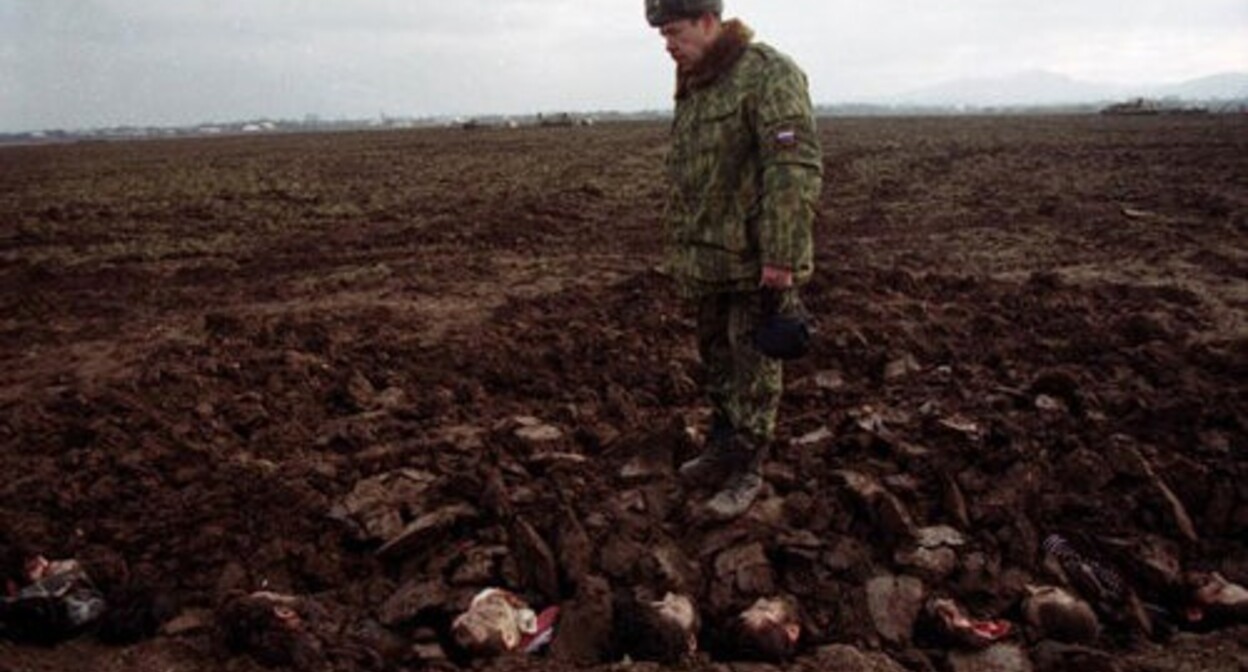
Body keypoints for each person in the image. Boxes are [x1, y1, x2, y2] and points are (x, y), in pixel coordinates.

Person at [646, 0, 823, 519]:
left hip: (753, 261)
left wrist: (781, 257)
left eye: (674, 32)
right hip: (707, 260)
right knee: (717, 358)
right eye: (661, 36)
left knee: (754, 365)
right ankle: (724, 443)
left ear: (707, 22)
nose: (667, 45)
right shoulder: (695, 81)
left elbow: (792, 169)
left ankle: (750, 462)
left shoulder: (768, 74)